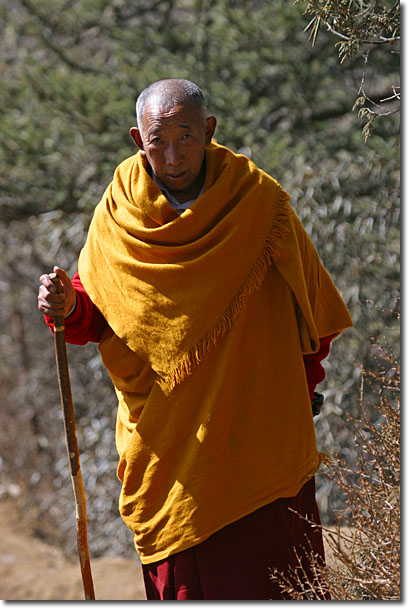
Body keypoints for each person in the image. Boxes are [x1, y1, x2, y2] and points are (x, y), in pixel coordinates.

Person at [38, 78, 353, 600]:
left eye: (185, 136)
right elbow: (93, 313)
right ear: (138, 140)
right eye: (158, 140)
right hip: (169, 448)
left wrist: (299, 385)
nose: (173, 153)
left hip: (258, 438)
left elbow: (309, 308)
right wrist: (66, 306)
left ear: (208, 131)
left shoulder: (258, 202)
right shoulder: (119, 215)